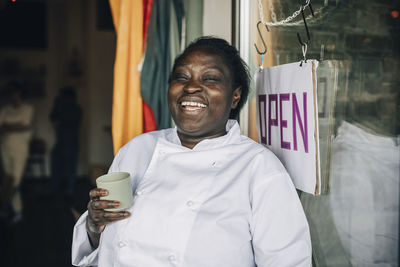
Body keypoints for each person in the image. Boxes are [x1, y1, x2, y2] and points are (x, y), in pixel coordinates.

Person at [72, 37, 311, 266]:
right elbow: (104, 248)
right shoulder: (137, 149)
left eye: (210, 78)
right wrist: (95, 225)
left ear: (235, 96)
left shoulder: (259, 169)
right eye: (182, 76)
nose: (192, 86)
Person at [0, 81, 34, 223]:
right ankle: (17, 211)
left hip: (20, 148)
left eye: (16, 92)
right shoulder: (5, 110)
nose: (14, 96)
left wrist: (8, 126)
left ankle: (3, 205)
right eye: (11, 93)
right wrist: (15, 126)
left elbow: (25, 125)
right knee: (8, 179)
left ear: (21, 93)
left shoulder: (28, 108)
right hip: (5, 146)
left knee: (16, 181)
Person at [48, 86, 82, 197]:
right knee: (57, 163)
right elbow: (52, 118)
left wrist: (58, 106)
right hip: (61, 140)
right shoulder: (61, 107)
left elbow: (61, 121)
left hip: (70, 141)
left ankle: (69, 190)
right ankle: (56, 187)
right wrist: (56, 105)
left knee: (70, 166)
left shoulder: (75, 109)